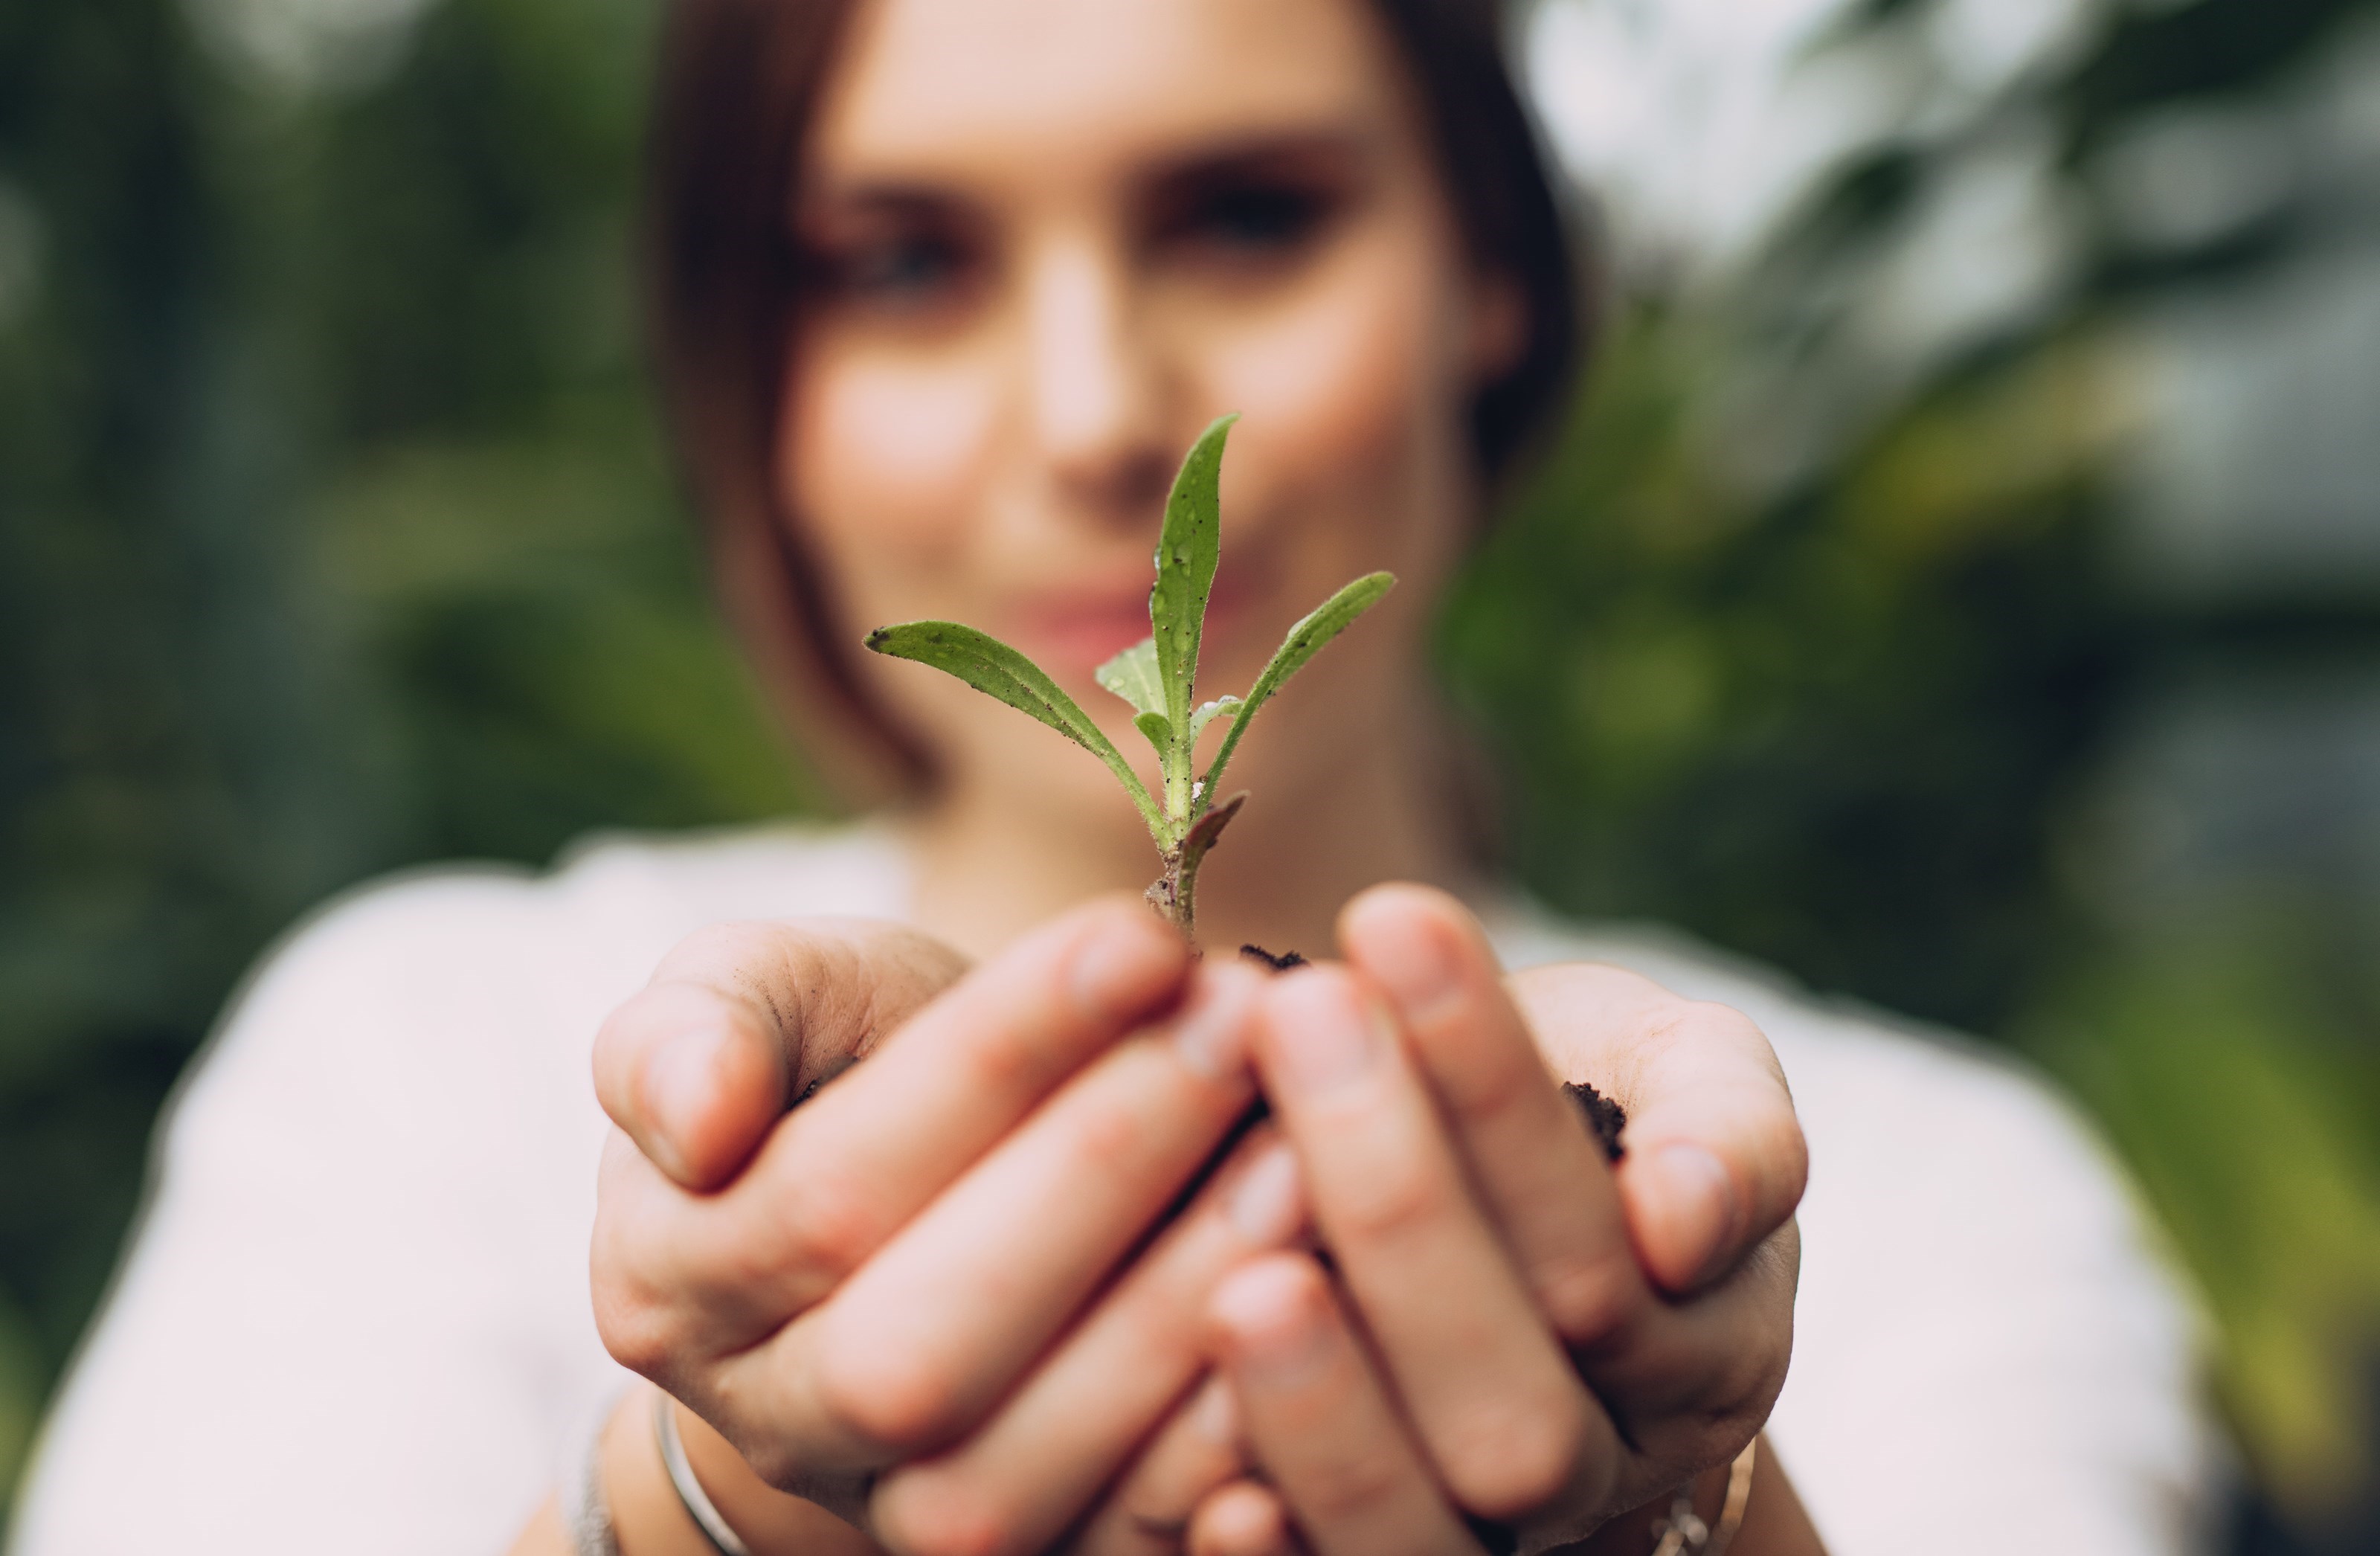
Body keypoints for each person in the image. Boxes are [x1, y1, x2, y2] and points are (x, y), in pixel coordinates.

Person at [8, 1, 2217, 1553]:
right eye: (904, 264)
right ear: (756, 377)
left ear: (1496, 282)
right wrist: (710, 1506)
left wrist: (1688, 1500)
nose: (1092, 411)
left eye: (1246, 215)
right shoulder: (434, 1064)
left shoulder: (1880, 1192)